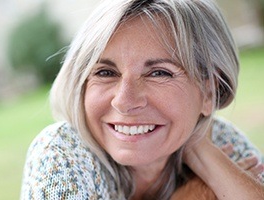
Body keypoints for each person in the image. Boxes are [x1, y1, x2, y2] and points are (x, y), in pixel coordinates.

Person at [20, 0, 264, 199]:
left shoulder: (220, 140)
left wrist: (200, 152)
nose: (124, 101)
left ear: (208, 93)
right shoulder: (62, 153)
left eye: (159, 73)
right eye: (106, 72)